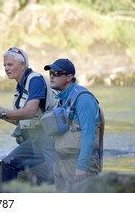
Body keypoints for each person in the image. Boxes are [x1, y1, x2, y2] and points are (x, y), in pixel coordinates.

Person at [0, 47, 58, 185]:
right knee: (7, 164)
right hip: (35, 140)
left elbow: (30, 111)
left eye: (10, 64)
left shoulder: (35, 80)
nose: (6, 68)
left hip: (51, 139)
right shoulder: (20, 87)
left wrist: (1, 113)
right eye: (4, 65)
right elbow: (21, 120)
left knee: (56, 180)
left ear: (22, 65)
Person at [43, 58, 104, 191]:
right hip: (61, 162)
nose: (52, 76)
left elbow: (88, 134)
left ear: (69, 77)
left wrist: (81, 167)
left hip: (79, 164)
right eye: (51, 73)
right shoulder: (62, 98)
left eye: (57, 73)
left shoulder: (84, 99)